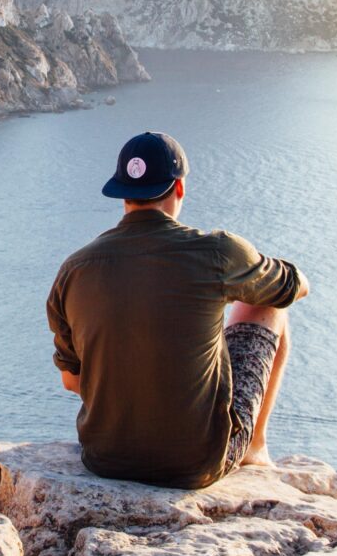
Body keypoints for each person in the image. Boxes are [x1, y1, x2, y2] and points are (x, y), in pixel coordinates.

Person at [46, 131, 309, 489]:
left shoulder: (74, 269)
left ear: (122, 193)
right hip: (195, 463)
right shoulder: (217, 252)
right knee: (270, 305)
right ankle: (254, 448)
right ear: (179, 188)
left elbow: (71, 380)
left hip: (104, 458)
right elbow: (293, 287)